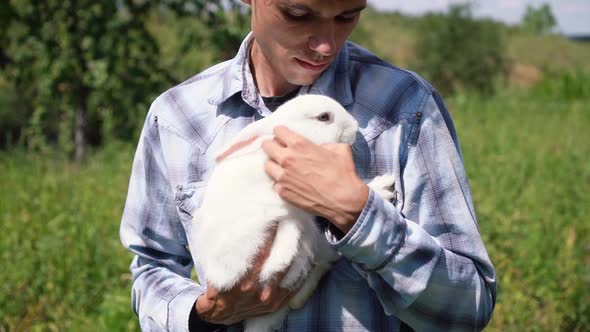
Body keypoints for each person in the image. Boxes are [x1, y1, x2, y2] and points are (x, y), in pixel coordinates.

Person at [120, 0, 497, 331]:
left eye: (348, 16)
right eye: (297, 14)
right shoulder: (178, 118)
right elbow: (151, 268)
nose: (325, 45)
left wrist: (358, 215)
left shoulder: (405, 109)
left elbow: (469, 308)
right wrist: (205, 314)